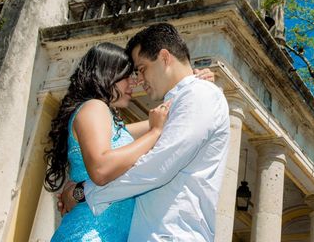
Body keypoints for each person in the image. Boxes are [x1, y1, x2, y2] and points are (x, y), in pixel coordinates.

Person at [62, 22, 231, 242]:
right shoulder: (181, 103)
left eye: (141, 69)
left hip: (172, 235)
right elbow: (124, 140)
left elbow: (158, 165)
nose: (138, 81)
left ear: (164, 57)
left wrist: (83, 193)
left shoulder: (198, 95)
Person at [45, 42, 171, 242]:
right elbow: (101, 169)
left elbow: (166, 118)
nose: (133, 82)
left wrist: (191, 82)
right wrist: (154, 133)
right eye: (126, 76)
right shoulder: (94, 107)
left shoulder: (112, 124)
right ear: (106, 74)